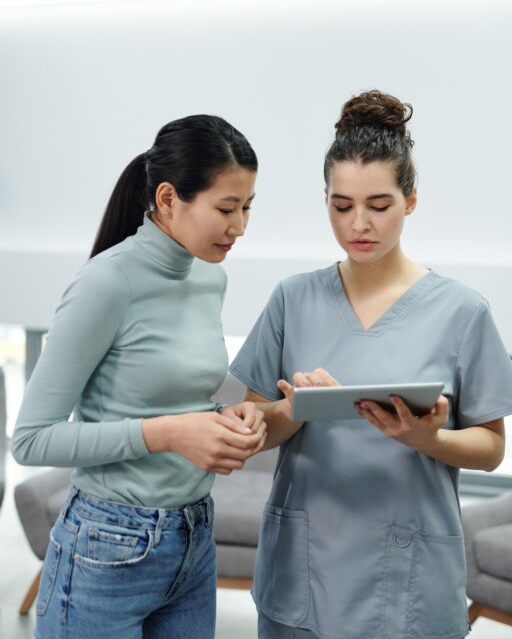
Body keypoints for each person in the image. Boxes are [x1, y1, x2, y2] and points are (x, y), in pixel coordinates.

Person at [229, 91, 512, 639]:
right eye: (341, 206)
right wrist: (292, 409)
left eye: (379, 206)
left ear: (411, 200)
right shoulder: (292, 300)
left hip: (410, 579)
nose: (359, 224)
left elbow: (492, 447)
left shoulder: (463, 312)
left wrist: (426, 438)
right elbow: (253, 429)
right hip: (304, 572)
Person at [12, 114, 266, 639]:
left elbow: (174, 396)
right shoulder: (106, 283)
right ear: (169, 199)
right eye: (226, 208)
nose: (239, 226)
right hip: (107, 544)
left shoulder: (209, 279)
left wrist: (227, 419)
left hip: (193, 539)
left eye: (246, 207)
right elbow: (31, 440)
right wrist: (170, 433)